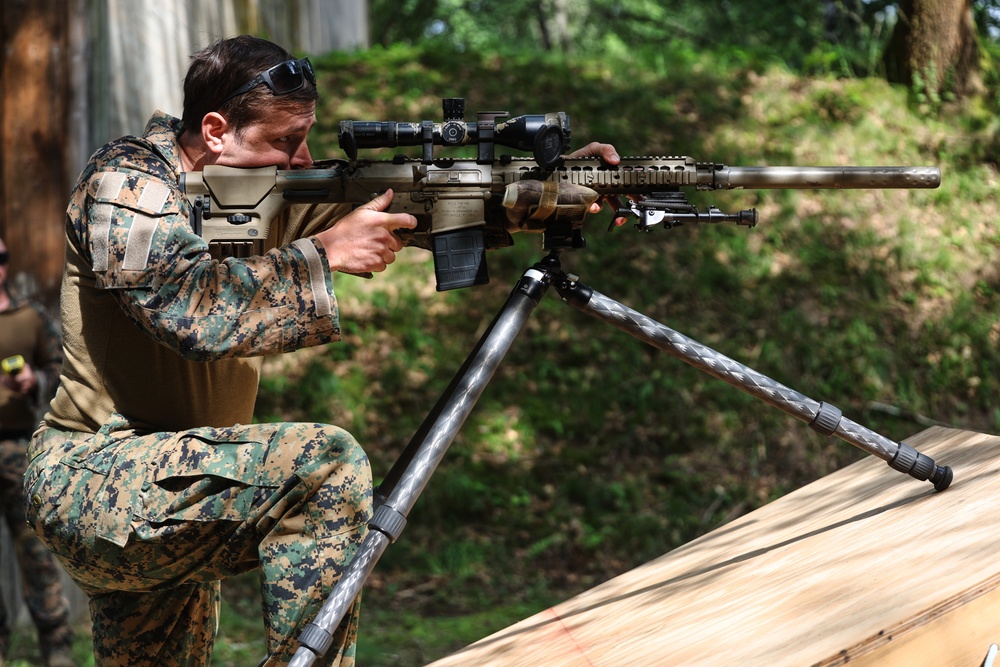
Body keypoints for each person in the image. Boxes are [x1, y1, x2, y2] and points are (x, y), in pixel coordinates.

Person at [24, 34, 621, 667]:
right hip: (89, 478)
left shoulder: (250, 190)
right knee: (324, 467)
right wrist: (325, 254)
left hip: (182, 485)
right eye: (284, 141)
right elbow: (186, 306)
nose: (302, 157)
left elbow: (425, 199)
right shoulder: (126, 184)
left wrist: (551, 187)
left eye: (304, 136)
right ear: (216, 130)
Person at [0, 237, 75, 667]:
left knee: (36, 552)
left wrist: (34, 383)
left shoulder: (30, 317)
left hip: (17, 448)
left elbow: (64, 370)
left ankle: (57, 648)